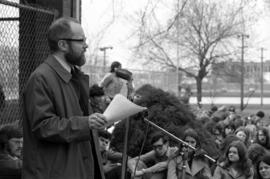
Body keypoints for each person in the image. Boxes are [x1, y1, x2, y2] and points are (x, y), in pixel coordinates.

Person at [22, 17, 108, 179]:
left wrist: (95, 120)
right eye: (81, 40)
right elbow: (44, 126)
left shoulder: (74, 76)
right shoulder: (41, 78)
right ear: (62, 45)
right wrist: (86, 123)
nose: (86, 45)